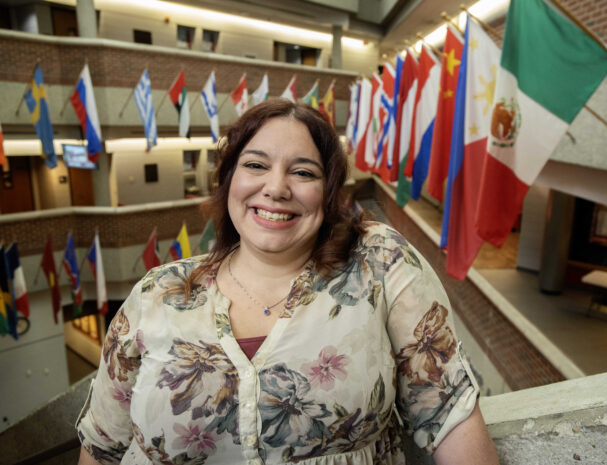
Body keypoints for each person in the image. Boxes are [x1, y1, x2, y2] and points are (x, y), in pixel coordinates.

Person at [76, 99, 499, 464]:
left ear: (329, 193)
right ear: (229, 182)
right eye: (256, 165)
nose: (276, 188)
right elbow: (102, 446)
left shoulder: (377, 262)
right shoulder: (158, 292)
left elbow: (447, 412)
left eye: (303, 172)